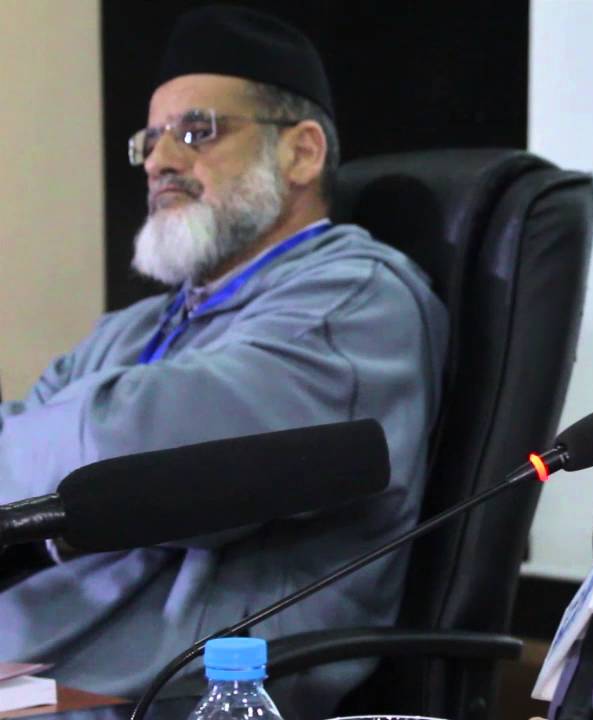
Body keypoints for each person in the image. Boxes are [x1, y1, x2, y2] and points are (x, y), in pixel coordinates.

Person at [0, 5, 447, 715]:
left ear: (301, 153)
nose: (159, 160)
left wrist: (65, 438)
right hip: (42, 667)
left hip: (176, 691)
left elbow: (124, 454)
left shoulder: (355, 300)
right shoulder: (138, 327)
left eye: (197, 131)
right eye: (150, 140)